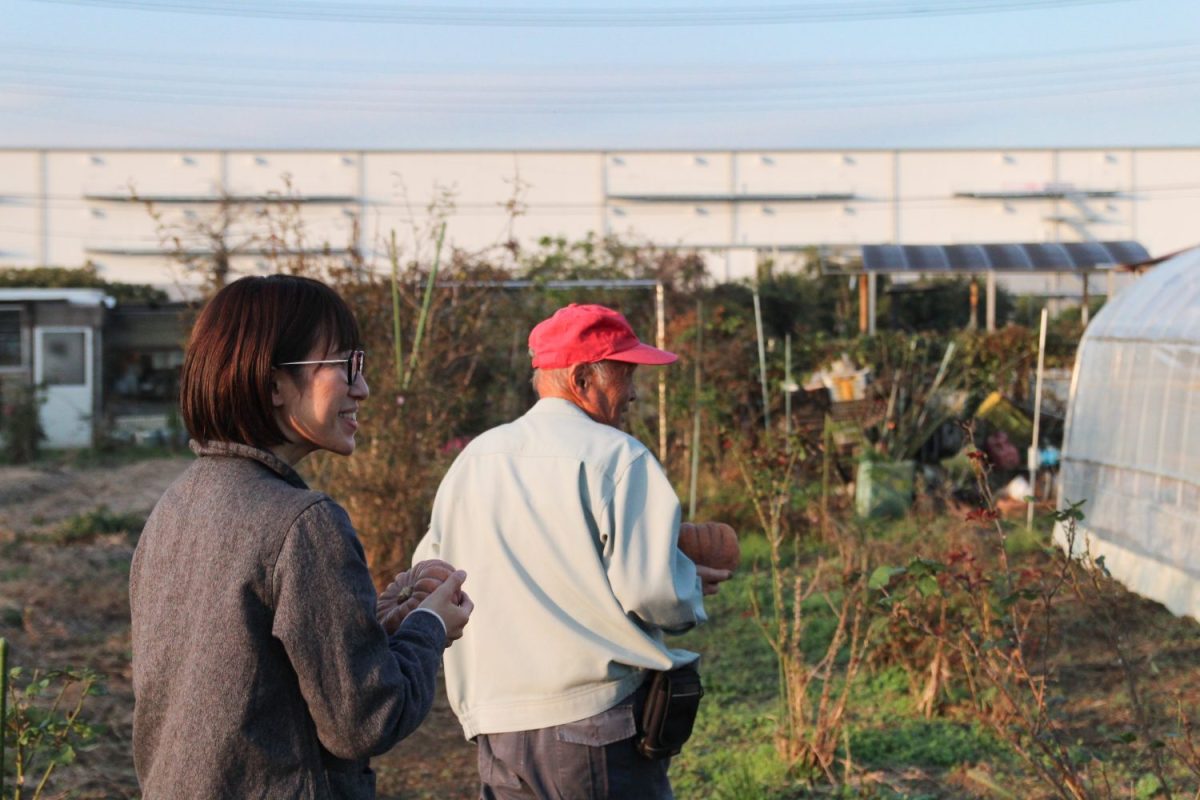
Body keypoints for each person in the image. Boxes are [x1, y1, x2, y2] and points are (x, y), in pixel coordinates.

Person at [129, 275, 474, 799]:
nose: (362, 388)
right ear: (272, 384)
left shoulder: (175, 505)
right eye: (343, 366)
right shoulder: (305, 522)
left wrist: (376, 630)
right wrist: (429, 628)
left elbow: (245, 677)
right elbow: (364, 720)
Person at [413, 302, 731, 799]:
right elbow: (653, 591)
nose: (634, 393)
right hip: (594, 728)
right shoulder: (617, 457)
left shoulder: (475, 459)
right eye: (626, 374)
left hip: (497, 726)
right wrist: (688, 579)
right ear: (583, 378)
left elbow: (429, 573)